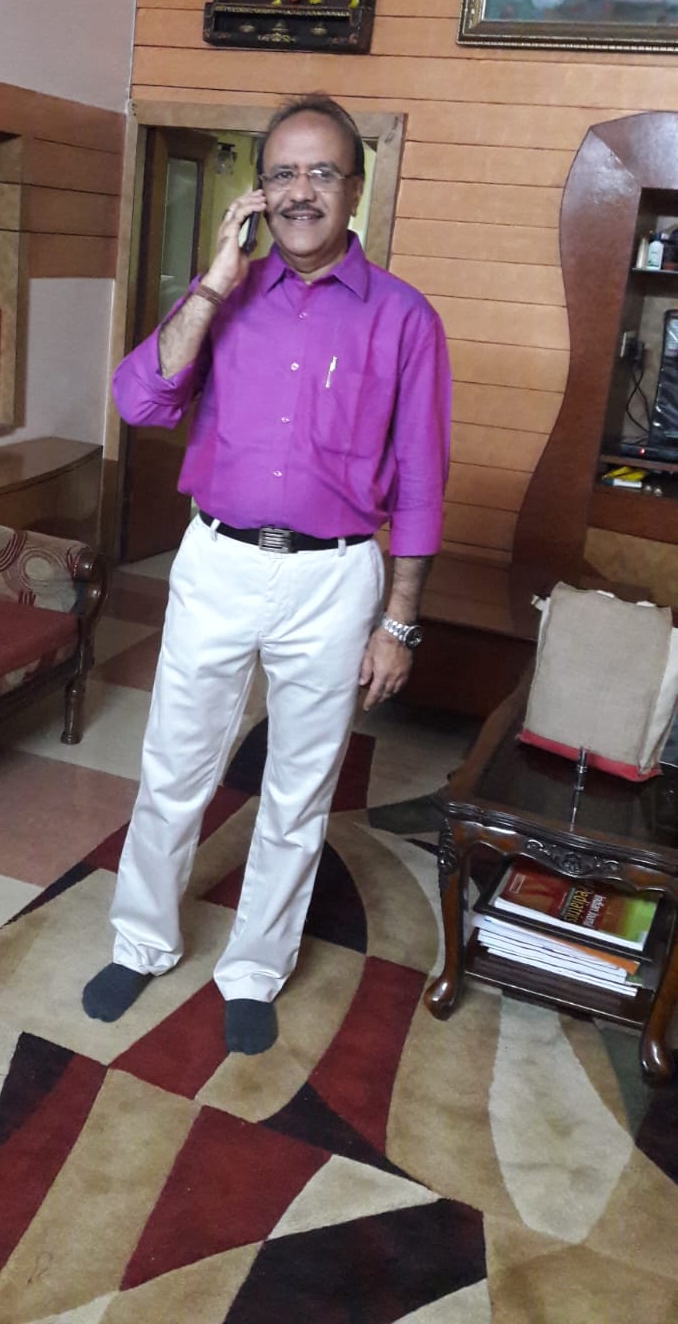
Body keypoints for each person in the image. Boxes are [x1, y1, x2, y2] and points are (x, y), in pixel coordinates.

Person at [83, 94, 451, 1057]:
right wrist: (212, 282)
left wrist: (398, 621)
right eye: (282, 173)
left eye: (322, 172)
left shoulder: (405, 319)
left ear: (355, 189)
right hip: (216, 562)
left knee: (298, 787)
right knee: (175, 766)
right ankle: (143, 939)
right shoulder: (225, 297)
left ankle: (253, 967)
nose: (300, 192)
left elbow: (421, 481)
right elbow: (139, 400)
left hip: (335, 580)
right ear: (258, 192)